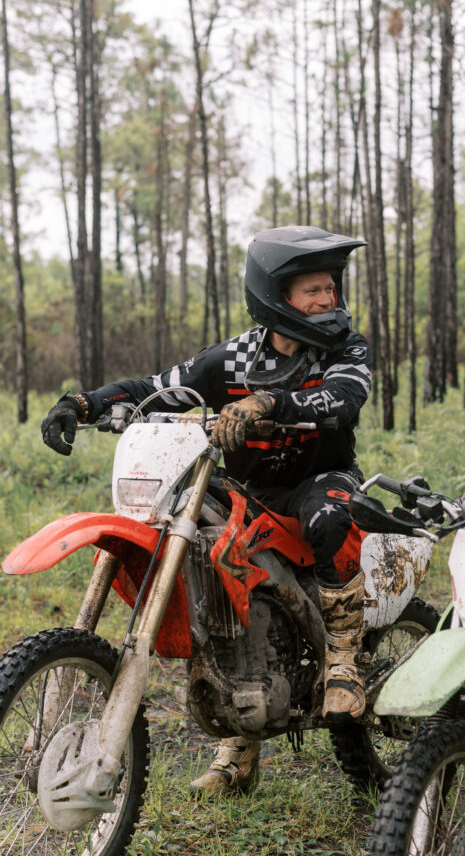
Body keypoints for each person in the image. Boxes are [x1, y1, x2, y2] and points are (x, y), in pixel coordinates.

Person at [41, 225, 372, 798]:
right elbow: (156, 388)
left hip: (321, 481)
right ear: (276, 296)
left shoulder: (345, 348)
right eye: (311, 290)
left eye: (330, 288)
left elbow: (343, 399)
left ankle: (343, 659)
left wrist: (270, 403)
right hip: (251, 495)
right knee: (210, 567)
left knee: (328, 514)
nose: (327, 300)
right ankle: (239, 742)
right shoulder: (234, 358)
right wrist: (82, 403)